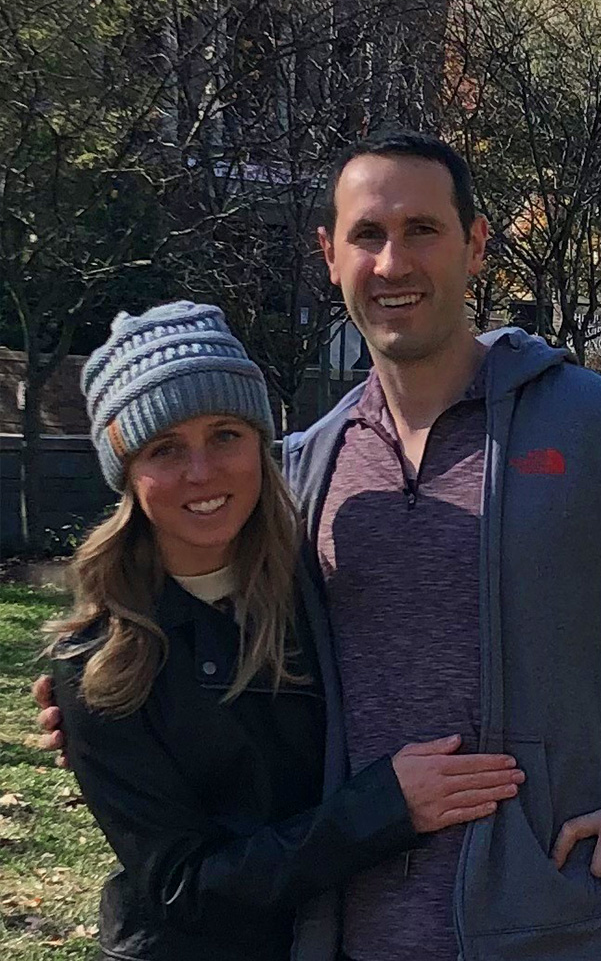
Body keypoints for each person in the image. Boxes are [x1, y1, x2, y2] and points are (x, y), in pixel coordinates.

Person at [49, 130, 601, 961]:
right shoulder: (303, 468)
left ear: (474, 244)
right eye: (367, 235)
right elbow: (218, 624)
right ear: (330, 256)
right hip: (347, 934)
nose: (393, 263)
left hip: (571, 924)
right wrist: (102, 689)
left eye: (421, 230)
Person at [46, 302, 529, 961]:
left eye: (225, 434)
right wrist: (381, 810)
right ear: (126, 474)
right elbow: (185, 886)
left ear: (261, 442)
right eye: (165, 449)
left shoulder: (320, 589)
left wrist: (600, 743)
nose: (202, 472)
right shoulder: (100, 662)